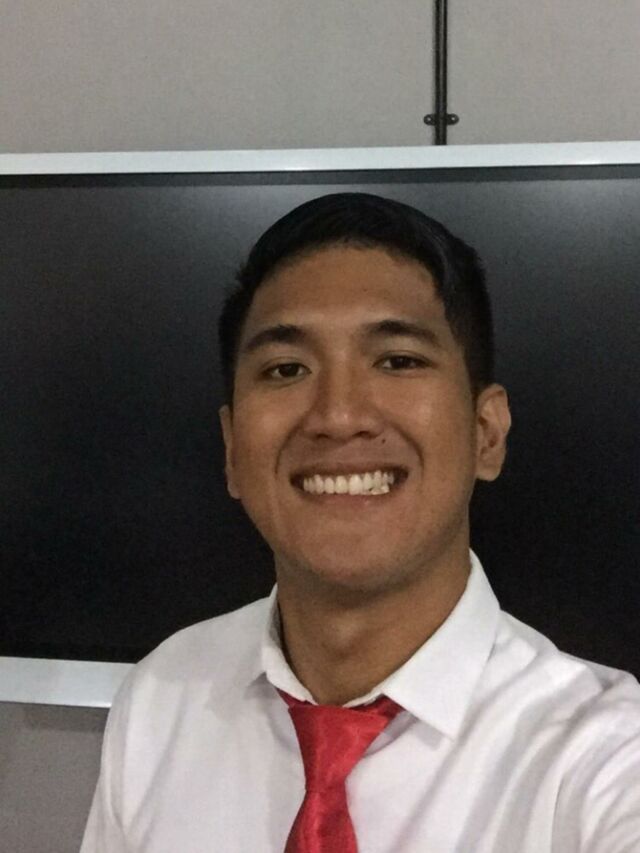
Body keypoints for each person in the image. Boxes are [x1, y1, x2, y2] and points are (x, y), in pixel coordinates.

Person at [81, 193, 640, 852]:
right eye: (286, 369)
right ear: (232, 451)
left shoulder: (605, 758)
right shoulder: (161, 700)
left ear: (487, 433)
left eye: (398, 360)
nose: (338, 415)